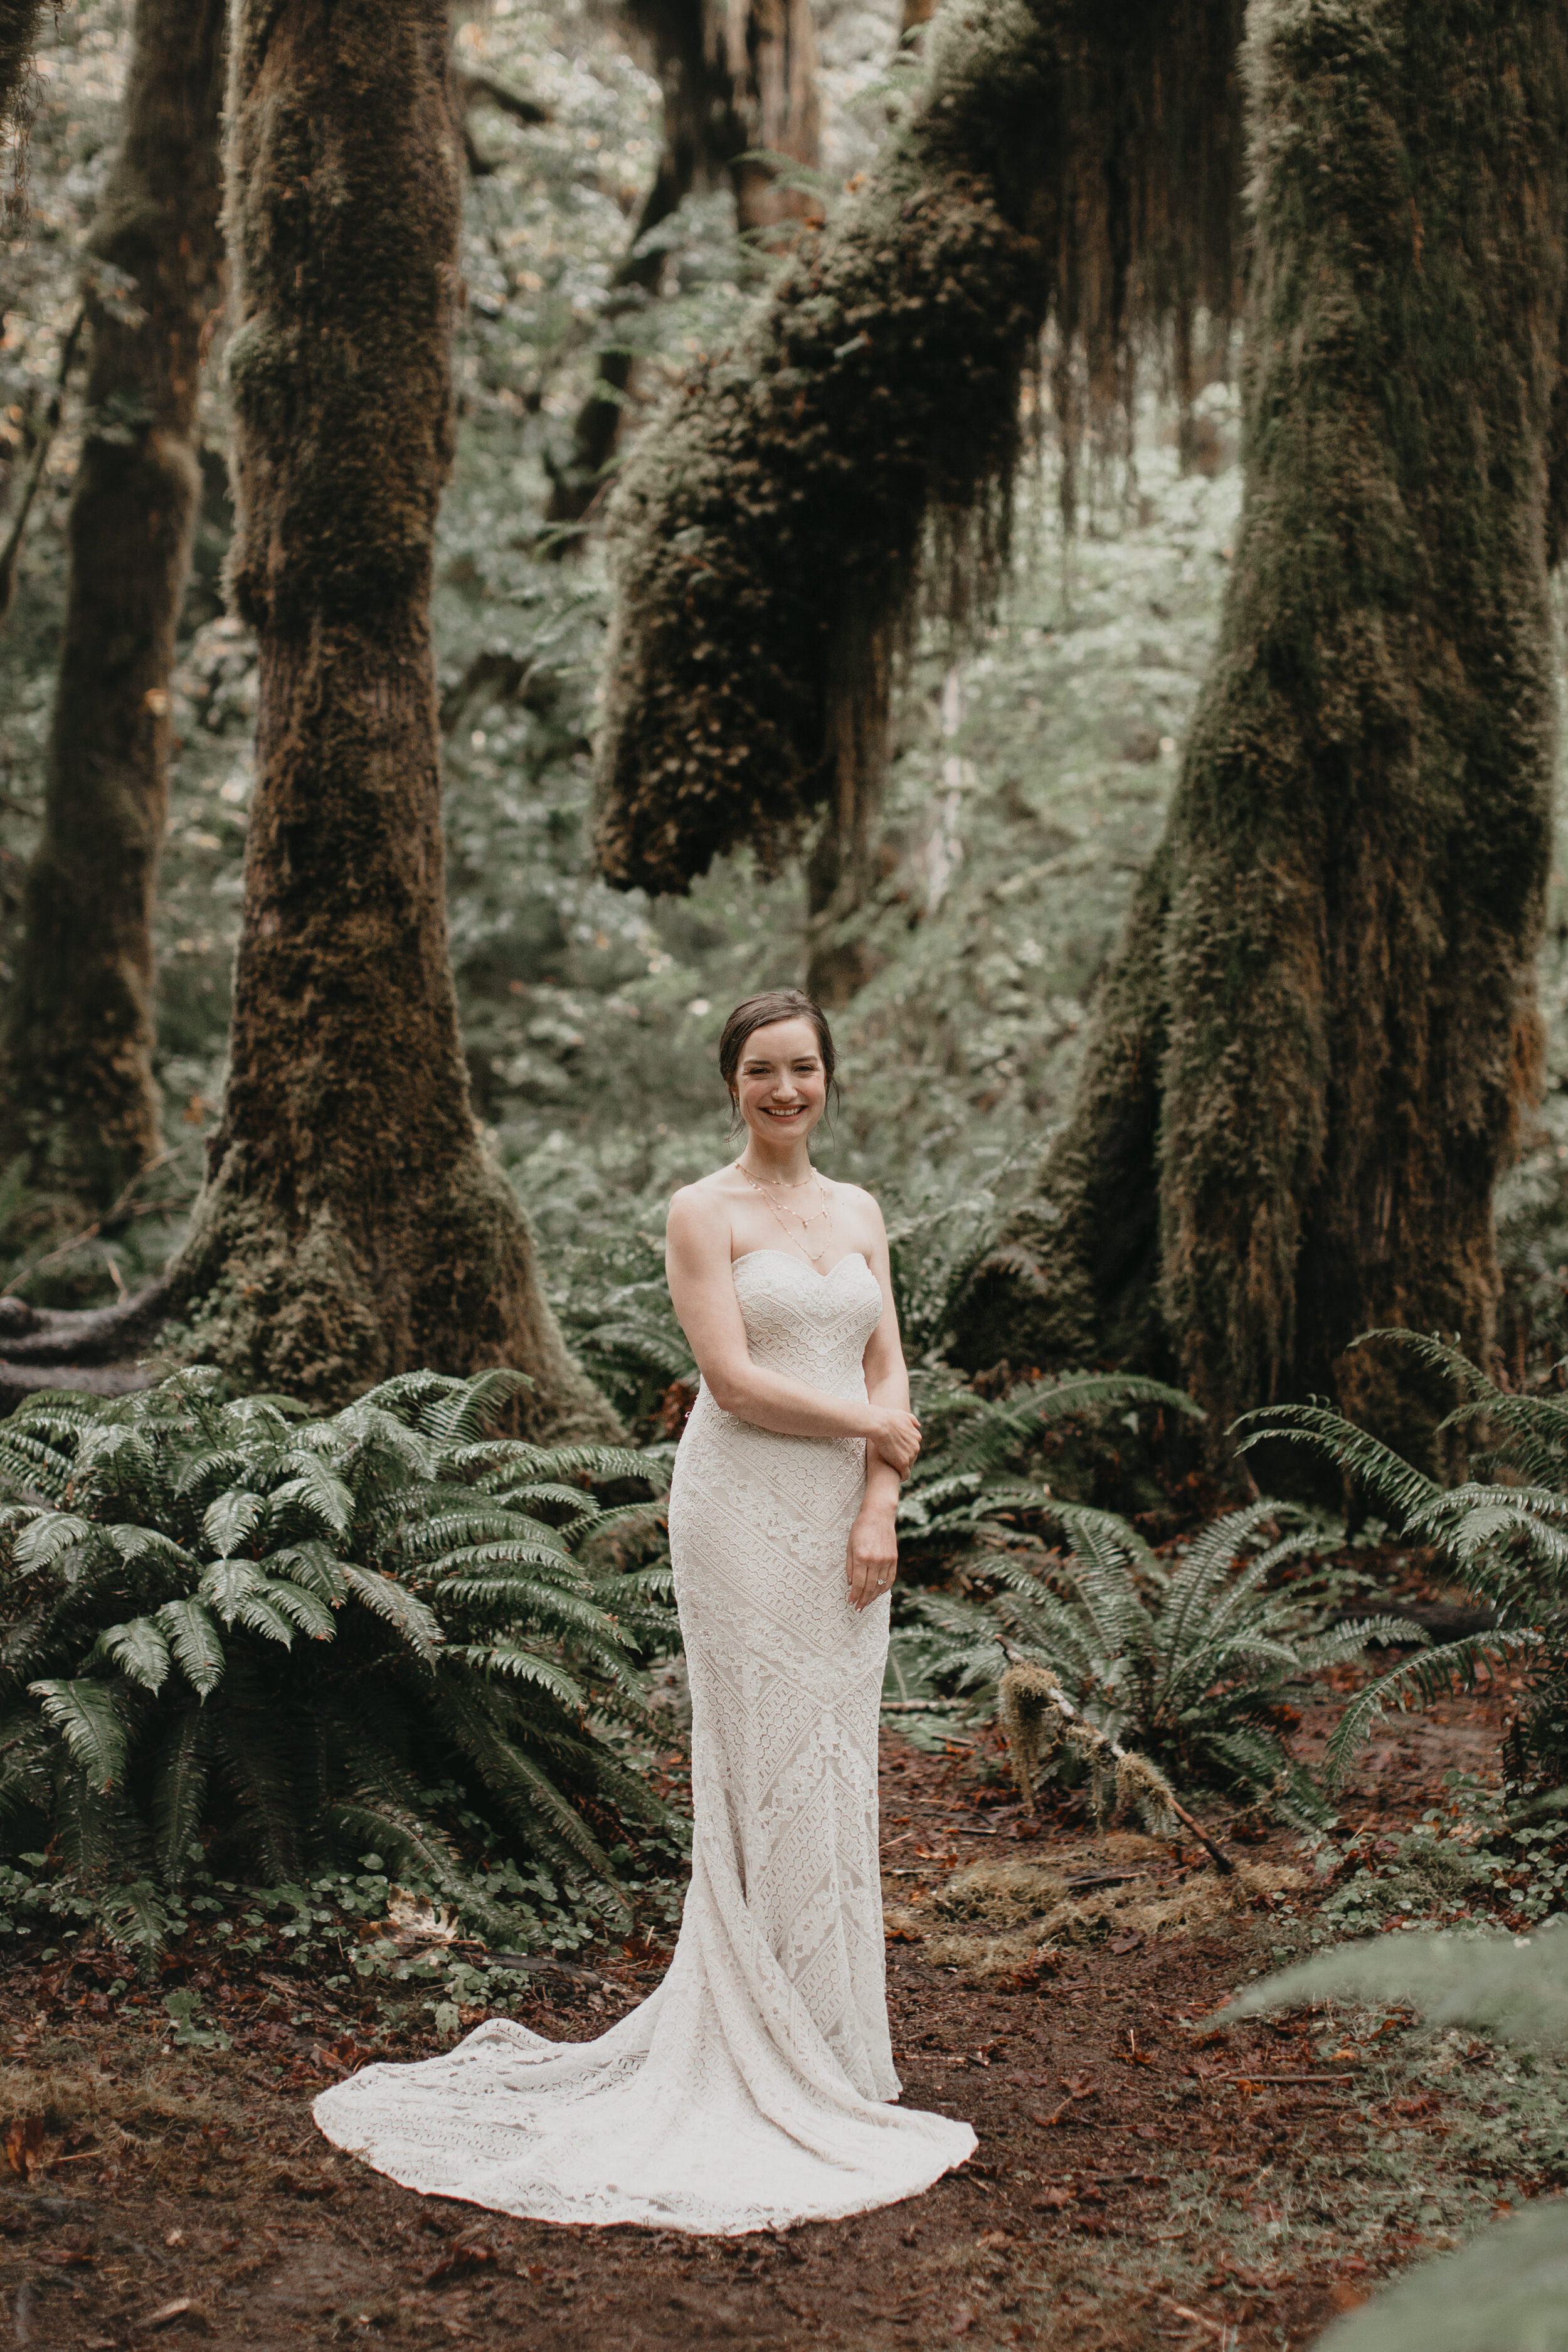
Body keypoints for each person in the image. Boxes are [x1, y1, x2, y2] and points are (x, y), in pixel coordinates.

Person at [314, 988, 977, 2232]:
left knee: (833, 1756)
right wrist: (867, 1428)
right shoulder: (701, 1212)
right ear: (730, 1083)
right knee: (759, 1757)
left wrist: (879, 1496)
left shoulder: (859, 1212)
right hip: (739, 1509)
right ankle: (750, 2039)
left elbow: (892, 1368)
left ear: (827, 1078)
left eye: (803, 1069)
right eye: (761, 1071)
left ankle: (834, 2053)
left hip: (844, 1513)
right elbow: (730, 1380)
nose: (784, 1090)